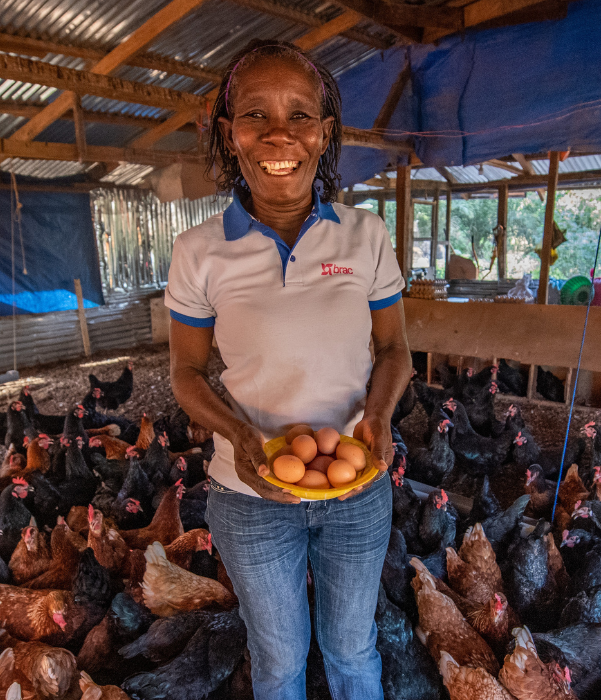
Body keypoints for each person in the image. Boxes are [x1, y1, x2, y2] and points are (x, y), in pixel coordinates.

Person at [165, 39, 411, 700]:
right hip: (248, 499)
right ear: (230, 133)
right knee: (277, 659)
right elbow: (186, 375)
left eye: (301, 115)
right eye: (255, 115)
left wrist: (378, 419)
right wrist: (244, 438)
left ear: (325, 132)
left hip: (356, 483)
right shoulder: (198, 252)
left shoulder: (365, 236)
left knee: (353, 649)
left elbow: (394, 353)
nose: (280, 134)